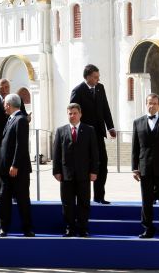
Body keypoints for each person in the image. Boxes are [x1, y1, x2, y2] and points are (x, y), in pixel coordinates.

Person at [70, 64, 116, 204]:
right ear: (88, 77)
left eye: (98, 77)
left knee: (102, 164)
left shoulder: (100, 88)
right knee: (84, 166)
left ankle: (99, 196)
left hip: (98, 134)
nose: (98, 79)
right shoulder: (78, 91)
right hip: (84, 136)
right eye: (95, 77)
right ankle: (82, 198)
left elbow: (105, 108)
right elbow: (73, 113)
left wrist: (110, 127)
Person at [131, 93, 159, 239]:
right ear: (146, 104)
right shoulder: (137, 122)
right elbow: (135, 147)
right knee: (146, 201)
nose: (152, 106)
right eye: (150, 103)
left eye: (155, 103)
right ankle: (148, 229)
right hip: (145, 168)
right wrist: (134, 168)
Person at [52, 102, 98, 237]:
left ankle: (83, 228)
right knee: (67, 203)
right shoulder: (61, 131)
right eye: (70, 113)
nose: (72, 116)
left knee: (84, 202)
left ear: (80, 114)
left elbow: (94, 153)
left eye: (75, 113)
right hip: (66, 175)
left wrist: (94, 171)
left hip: (84, 174)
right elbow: (56, 153)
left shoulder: (89, 130)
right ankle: (69, 228)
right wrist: (56, 171)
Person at [0, 79, 27, 202]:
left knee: (12, 166)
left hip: (11, 140)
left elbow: (22, 114)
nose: (4, 89)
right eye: (1, 87)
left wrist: (27, 118)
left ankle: (13, 193)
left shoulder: (16, 99)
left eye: (6, 87)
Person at [0, 94, 34, 237]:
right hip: (6, 170)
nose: (4, 107)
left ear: (8, 105)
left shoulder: (21, 120)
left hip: (18, 170)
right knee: (4, 200)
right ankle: (3, 228)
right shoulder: (11, 119)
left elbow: (21, 145)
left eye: (5, 104)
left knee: (22, 199)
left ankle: (27, 229)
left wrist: (15, 165)